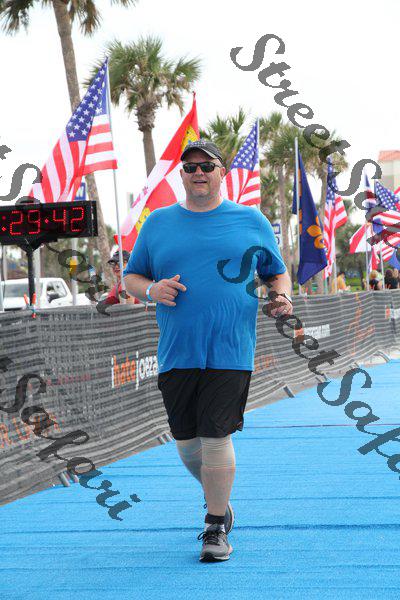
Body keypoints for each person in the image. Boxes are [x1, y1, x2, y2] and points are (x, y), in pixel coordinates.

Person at [124, 139, 292, 562]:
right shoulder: (158, 223)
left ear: (221, 173)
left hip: (231, 349)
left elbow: (277, 274)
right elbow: (132, 278)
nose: (198, 172)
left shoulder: (250, 220)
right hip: (177, 350)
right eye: (190, 166)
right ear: (182, 175)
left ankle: (215, 526)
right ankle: (220, 497)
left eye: (207, 165)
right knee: (186, 442)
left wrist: (282, 297)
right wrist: (152, 291)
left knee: (216, 434)